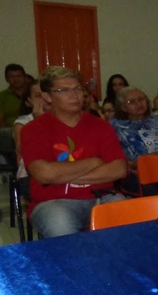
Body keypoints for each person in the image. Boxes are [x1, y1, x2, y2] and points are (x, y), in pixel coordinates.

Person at [21, 66, 127, 238]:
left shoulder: (102, 126)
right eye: (64, 90)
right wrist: (94, 162)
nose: (75, 95)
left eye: (77, 88)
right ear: (47, 96)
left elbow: (118, 170)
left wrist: (60, 175)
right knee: (59, 223)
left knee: (125, 215)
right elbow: (44, 174)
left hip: (103, 197)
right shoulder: (32, 130)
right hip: (53, 202)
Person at [111, 86, 158, 196]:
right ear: (123, 107)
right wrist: (142, 162)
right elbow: (113, 160)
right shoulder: (115, 126)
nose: (138, 104)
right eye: (132, 102)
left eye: (141, 99)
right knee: (149, 186)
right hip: (135, 172)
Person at [14, 79, 51, 196]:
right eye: (38, 96)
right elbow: (22, 149)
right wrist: (40, 121)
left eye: (47, 93)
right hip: (31, 175)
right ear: (29, 101)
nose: (44, 99)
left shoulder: (66, 118)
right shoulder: (23, 122)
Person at [0, 63, 29, 127]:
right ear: (6, 79)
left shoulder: (33, 94)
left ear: (25, 77)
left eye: (19, 76)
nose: (16, 79)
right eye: (12, 77)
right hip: (10, 131)